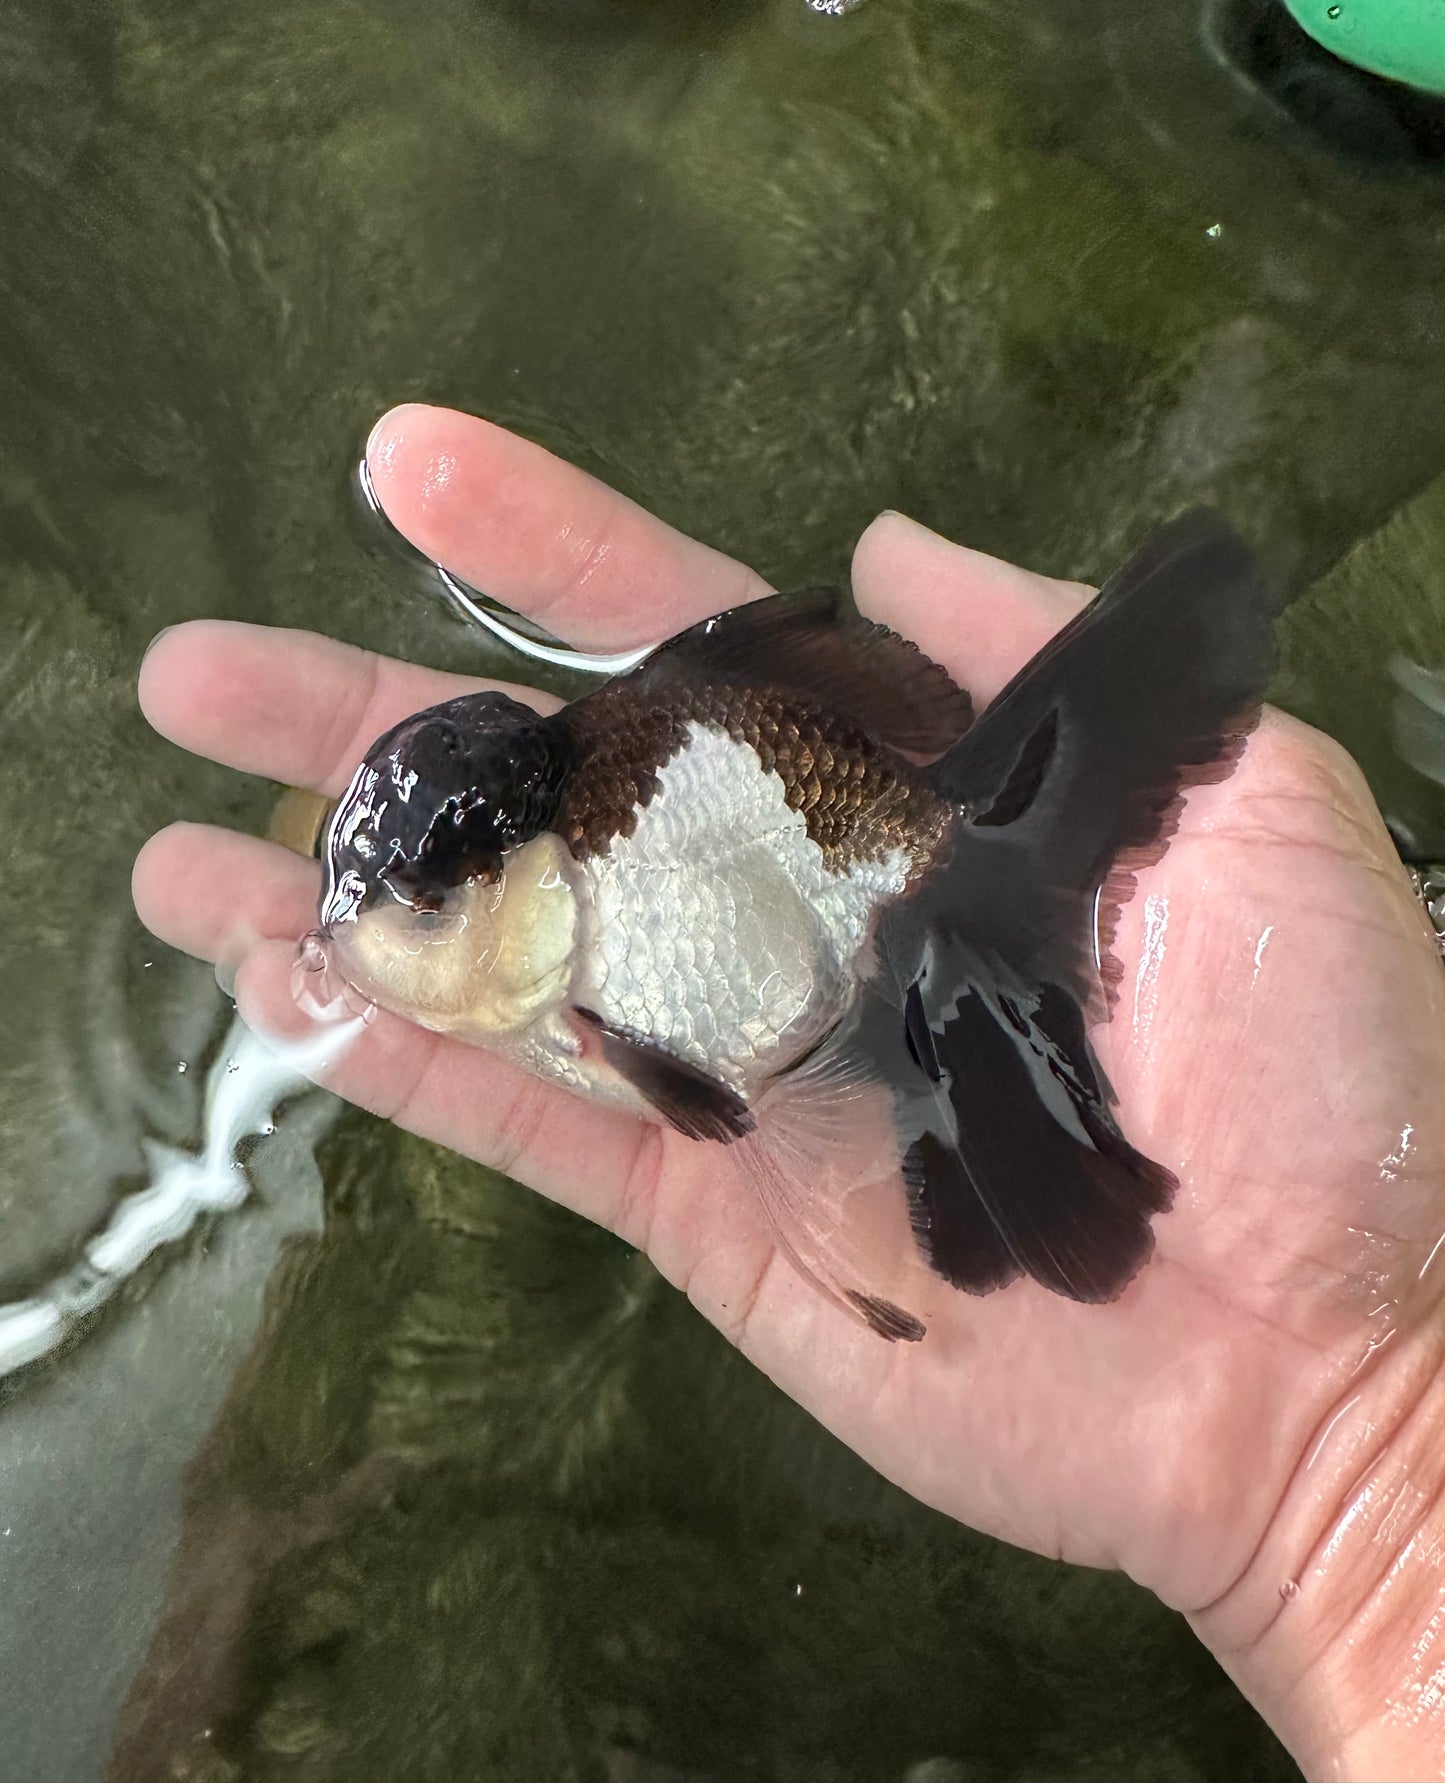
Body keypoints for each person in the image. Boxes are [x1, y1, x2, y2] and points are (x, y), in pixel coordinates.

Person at [134, 402, 1445, 1783]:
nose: (363, 942)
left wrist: (1355, 1443)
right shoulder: (559, 932)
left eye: (419, 908)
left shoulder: (601, 989)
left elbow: (726, 1112)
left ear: (521, 886)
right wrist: (1357, 1467)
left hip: (845, 894)